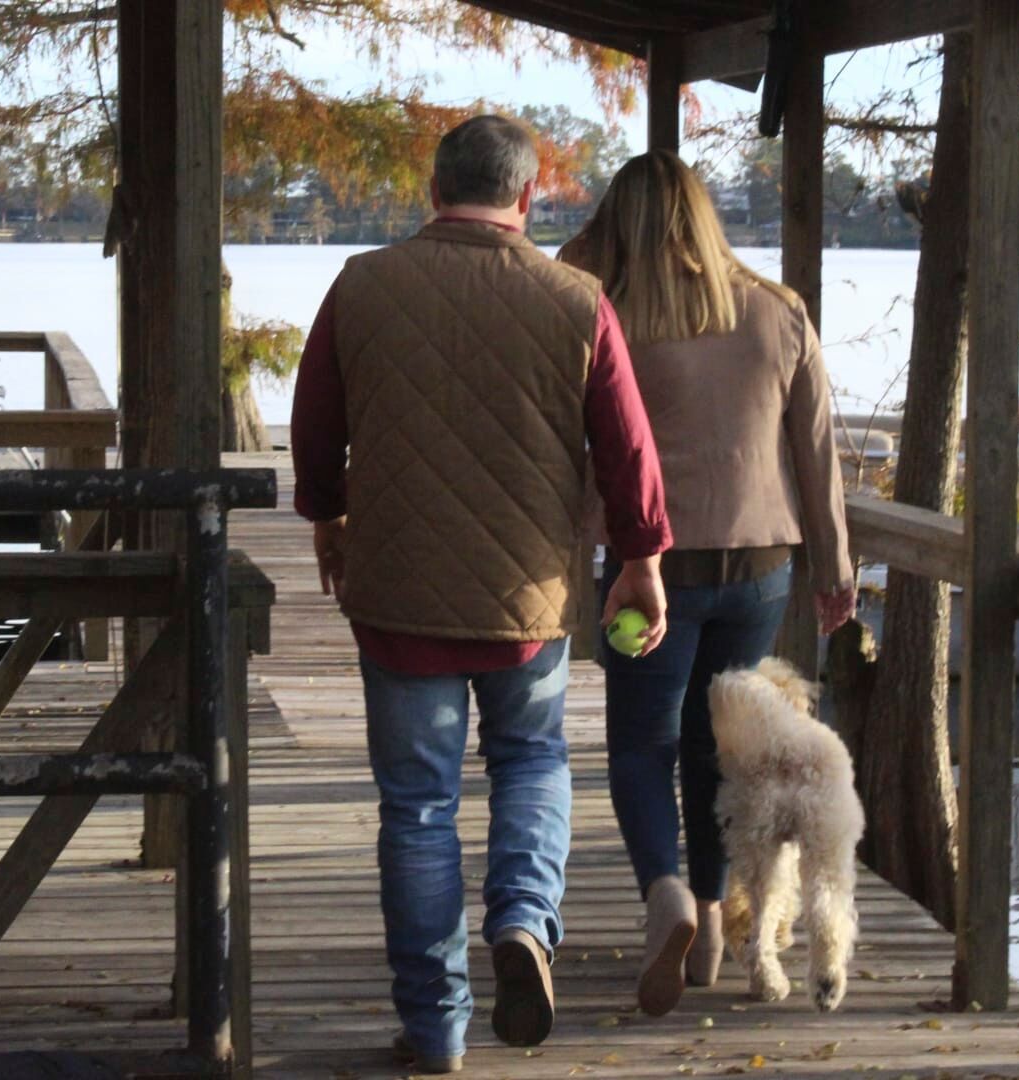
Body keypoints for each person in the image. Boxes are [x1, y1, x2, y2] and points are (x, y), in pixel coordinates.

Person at [291, 115, 673, 1074]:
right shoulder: (577, 300)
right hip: (525, 597)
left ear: (434, 190)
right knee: (533, 761)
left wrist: (328, 517)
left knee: (417, 808)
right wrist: (642, 557)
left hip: (398, 593)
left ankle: (435, 1030)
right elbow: (627, 445)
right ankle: (523, 923)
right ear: (529, 195)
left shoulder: (361, 284)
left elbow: (315, 424)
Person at [559, 150, 855, 1019]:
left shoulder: (608, 315)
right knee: (718, 748)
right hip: (761, 563)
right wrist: (836, 566)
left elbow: (577, 446)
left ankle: (667, 898)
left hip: (650, 564)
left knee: (639, 745)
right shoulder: (777, 310)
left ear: (620, 224)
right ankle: (716, 920)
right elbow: (817, 452)